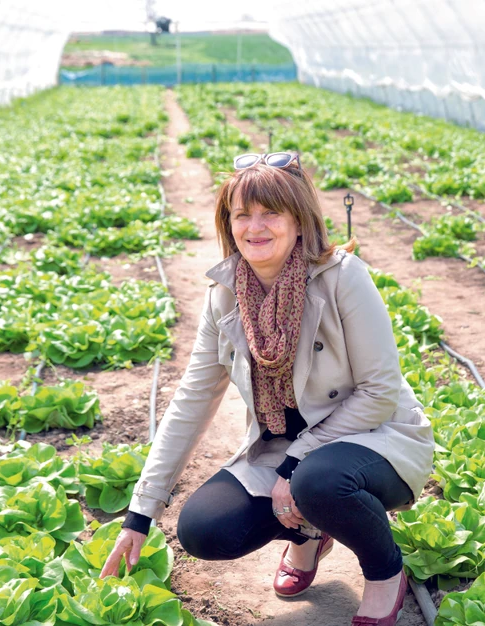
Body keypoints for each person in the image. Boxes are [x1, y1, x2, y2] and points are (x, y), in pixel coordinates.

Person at [100, 152, 435, 625]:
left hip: (375, 439)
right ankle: (308, 537)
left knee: (318, 481)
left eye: (271, 212)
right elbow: (192, 400)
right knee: (204, 530)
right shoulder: (225, 296)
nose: (255, 227)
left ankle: (385, 571)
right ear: (228, 223)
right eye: (242, 214)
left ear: (299, 220)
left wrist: (298, 461)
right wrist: (140, 511)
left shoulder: (343, 277)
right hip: (285, 450)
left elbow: (379, 392)